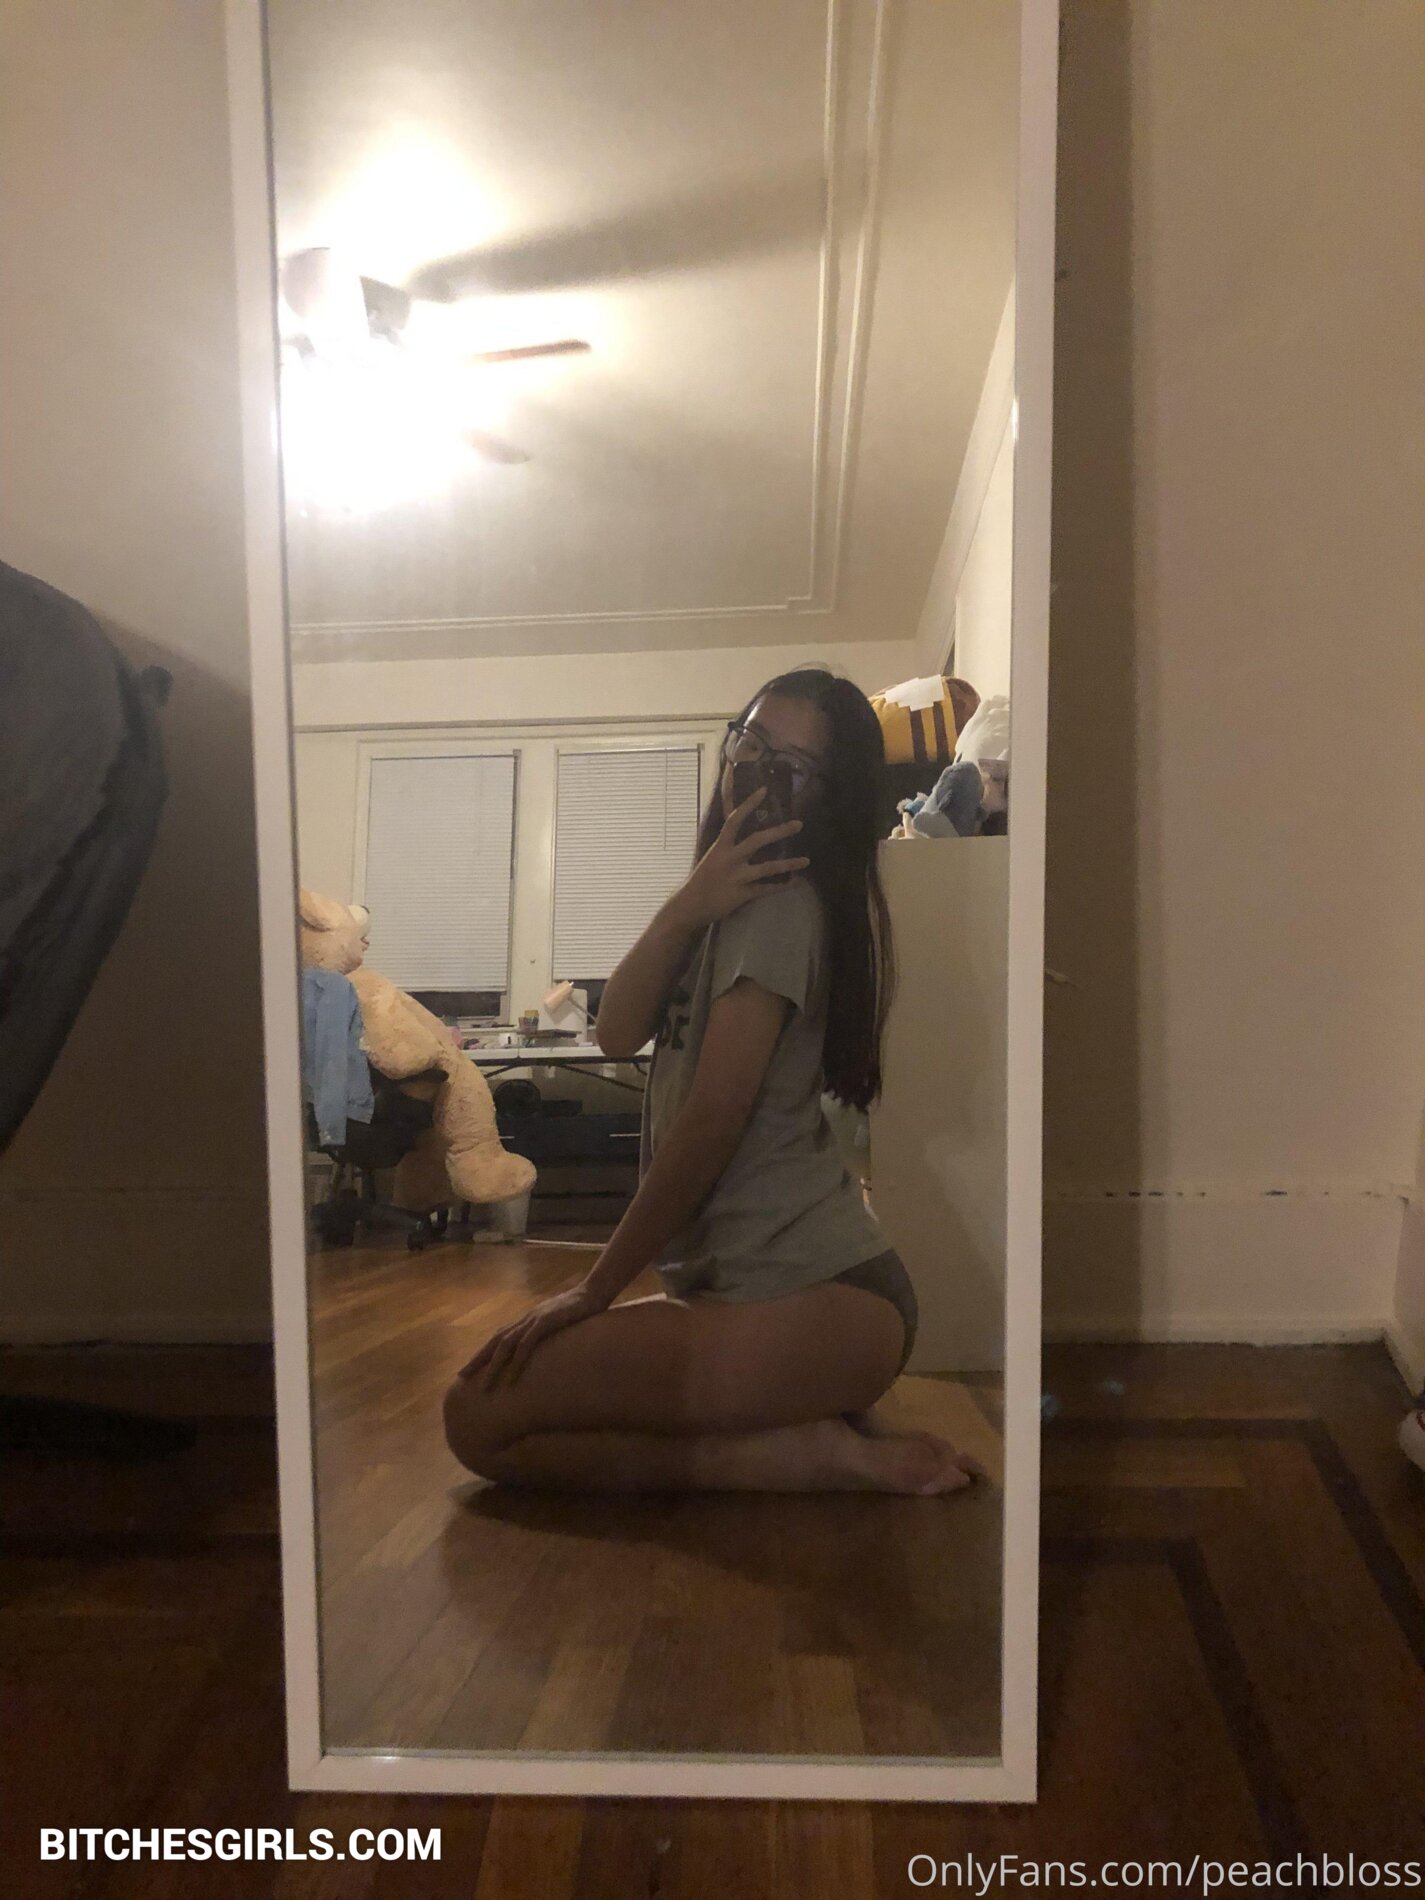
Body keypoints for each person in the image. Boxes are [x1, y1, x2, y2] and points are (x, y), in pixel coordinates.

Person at [442, 668, 984, 1494]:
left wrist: (593, 1290)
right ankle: (797, 1428)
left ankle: (821, 1456)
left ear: (829, 797)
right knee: (494, 1411)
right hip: (754, 1298)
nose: (755, 772)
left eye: (791, 766)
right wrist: (687, 903)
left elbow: (712, 1119)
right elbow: (616, 1031)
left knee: (476, 1418)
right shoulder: (724, 901)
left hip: (820, 1296)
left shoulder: (780, 905)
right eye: (750, 744)